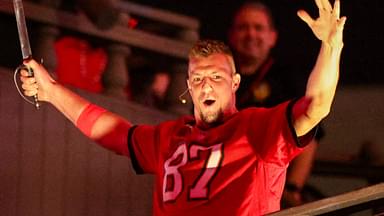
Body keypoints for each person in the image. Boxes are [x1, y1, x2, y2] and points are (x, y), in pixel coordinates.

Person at [19, 0, 346, 214]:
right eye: (198, 78)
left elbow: (315, 106)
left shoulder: (255, 128)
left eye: (216, 76)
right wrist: (50, 90)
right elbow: (113, 133)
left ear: (234, 83)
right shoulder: (169, 138)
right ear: (187, 86)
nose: (205, 84)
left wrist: (331, 47)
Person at [228, 0, 322, 207]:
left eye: (258, 28)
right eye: (243, 27)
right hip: (228, 184)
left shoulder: (287, 79)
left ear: (272, 37)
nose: (251, 34)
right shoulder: (219, 78)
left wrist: (292, 189)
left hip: (274, 189)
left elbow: (310, 135)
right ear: (232, 35)